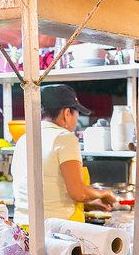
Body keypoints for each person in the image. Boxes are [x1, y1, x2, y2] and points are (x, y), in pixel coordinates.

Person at [11, 84, 115, 227]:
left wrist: (90, 205)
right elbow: (79, 193)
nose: (76, 118)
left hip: (23, 228)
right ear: (67, 113)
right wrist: (104, 193)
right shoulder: (64, 138)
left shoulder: (24, 139)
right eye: (76, 113)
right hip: (56, 231)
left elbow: (46, 192)